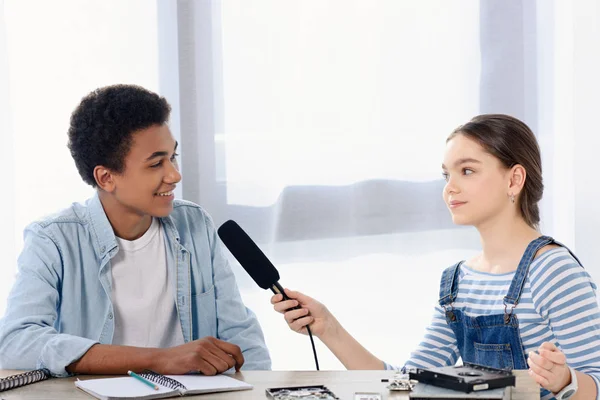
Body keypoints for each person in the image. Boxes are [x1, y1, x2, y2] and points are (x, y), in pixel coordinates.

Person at [272, 114, 600, 399]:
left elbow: (597, 381)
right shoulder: (457, 282)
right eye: (447, 175)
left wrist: (565, 382)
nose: (450, 188)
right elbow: (405, 386)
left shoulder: (552, 270)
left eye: (467, 171)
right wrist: (328, 328)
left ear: (514, 179)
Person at [0, 84, 271, 377]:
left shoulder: (195, 224)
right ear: (106, 177)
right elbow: (16, 342)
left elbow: (240, 333)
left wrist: (257, 389)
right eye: (156, 163)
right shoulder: (53, 240)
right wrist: (158, 360)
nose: (174, 175)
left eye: (173, 157)